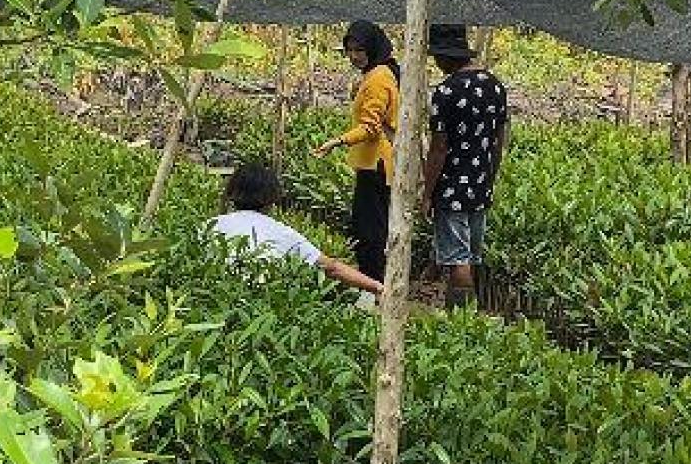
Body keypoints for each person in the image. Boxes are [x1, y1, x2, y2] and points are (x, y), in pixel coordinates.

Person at [420, 24, 509, 309]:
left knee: (459, 259)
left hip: (452, 187)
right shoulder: (495, 86)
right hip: (481, 184)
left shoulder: (446, 91)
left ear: (445, 56)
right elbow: (499, 139)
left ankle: (462, 321)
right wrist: (490, 177)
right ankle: (460, 312)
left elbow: (439, 148)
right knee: (470, 253)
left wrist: (427, 193)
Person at [209, 164, 384, 297]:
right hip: (262, 300)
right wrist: (376, 286)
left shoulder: (210, 226)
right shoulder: (280, 232)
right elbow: (332, 268)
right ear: (271, 197)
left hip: (218, 298)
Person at [313, 20, 399, 283]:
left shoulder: (378, 78)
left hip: (376, 164)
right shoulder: (379, 73)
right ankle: (375, 283)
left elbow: (371, 126)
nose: (353, 56)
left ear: (372, 47)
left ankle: (373, 285)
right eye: (349, 50)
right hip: (375, 163)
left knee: (369, 231)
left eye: (359, 50)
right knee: (372, 227)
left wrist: (338, 141)